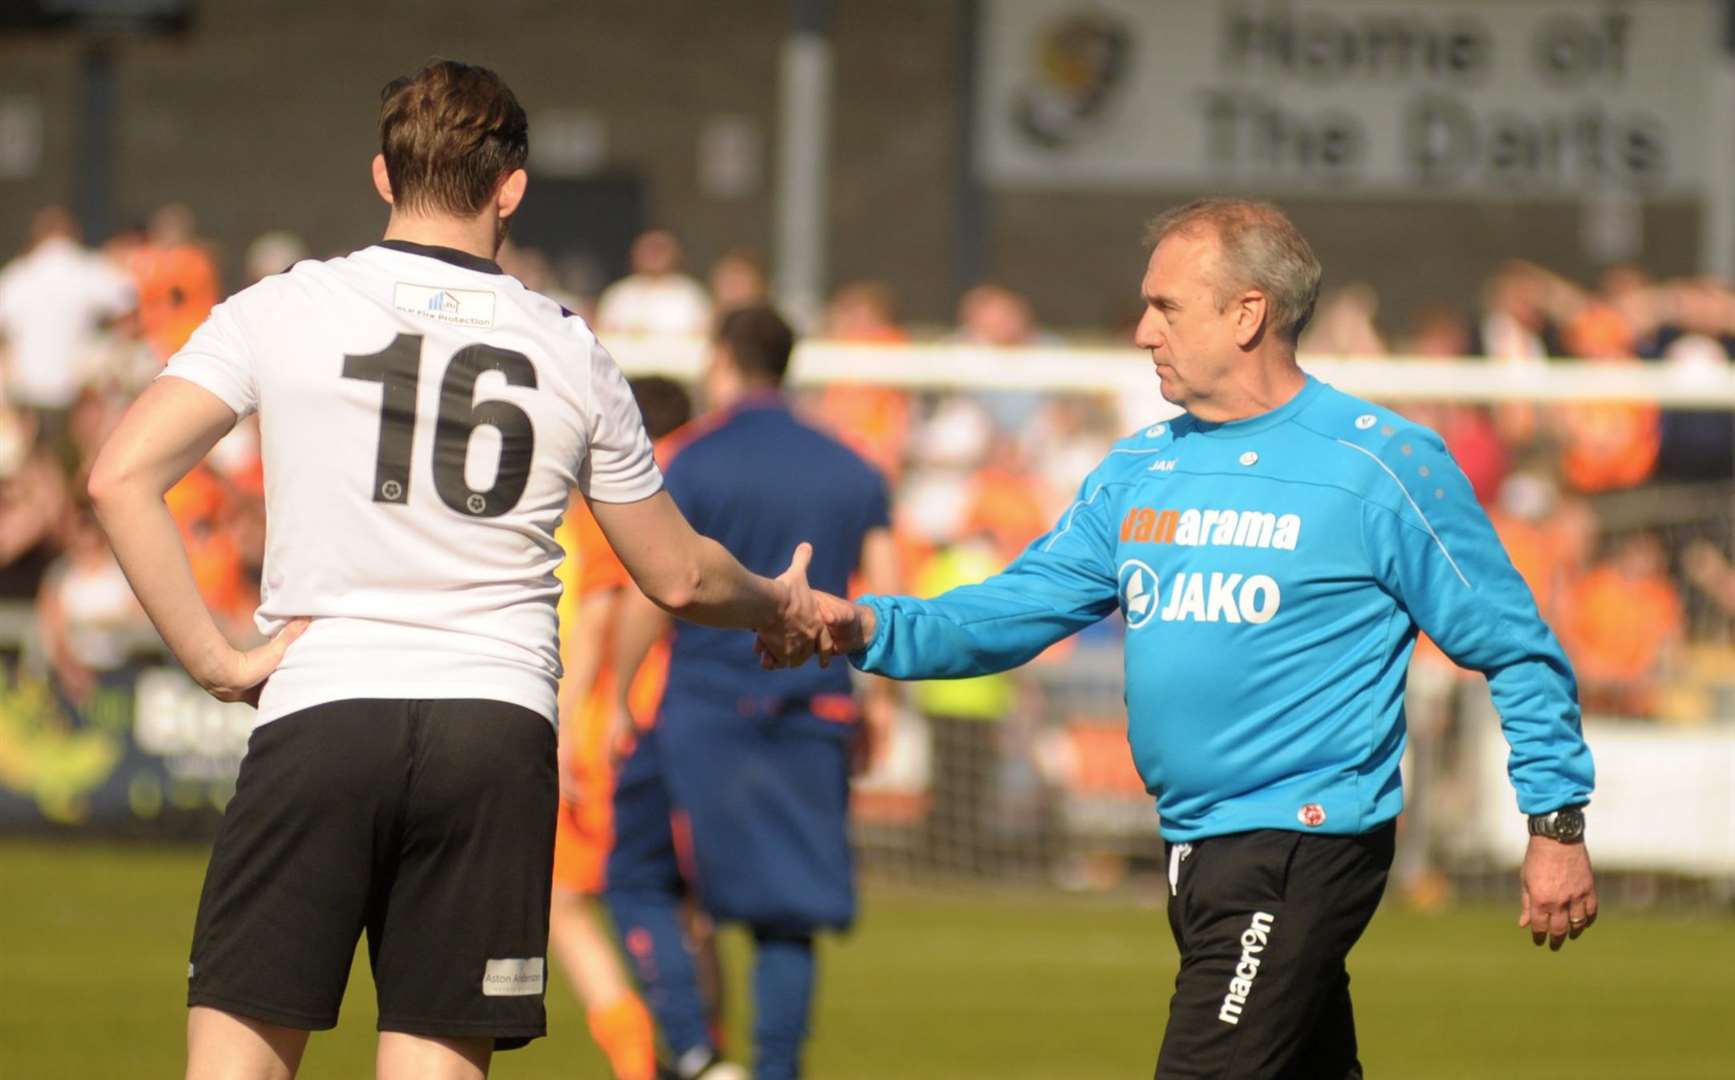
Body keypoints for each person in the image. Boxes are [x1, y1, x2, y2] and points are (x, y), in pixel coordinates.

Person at [85, 61, 826, 1080]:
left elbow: (120, 477)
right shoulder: (570, 346)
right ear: (512, 188)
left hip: (324, 704)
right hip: (495, 724)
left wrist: (216, 656)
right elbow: (681, 577)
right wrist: (776, 604)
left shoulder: (286, 305)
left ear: (384, 176)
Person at [805, 198, 1598, 1078]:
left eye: (1166, 307)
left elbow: (1513, 643)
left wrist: (1554, 822)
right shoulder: (1141, 466)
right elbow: (1012, 608)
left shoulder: (1380, 462)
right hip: (1194, 844)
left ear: (1246, 313)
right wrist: (868, 625)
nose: (1143, 331)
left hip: (1300, 839)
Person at [605, 305, 897, 1080]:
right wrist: (880, 698)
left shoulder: (695, 458)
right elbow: (884, 579)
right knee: (788, 913)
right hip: (814, 702)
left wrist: (619, 693)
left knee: (636, 875)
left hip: (704, 705)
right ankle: (773, 1071)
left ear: (723, 359)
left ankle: (698, 1054)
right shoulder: (849, 462)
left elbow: (654, 585)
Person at [547, 375, 704, 1080]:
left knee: (568, 902)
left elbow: (604, 615)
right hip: (684, 714)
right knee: (682, 903)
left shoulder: (619, 497)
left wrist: (565, 725)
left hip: (614, 718)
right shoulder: (698, 490)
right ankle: (710, 1053)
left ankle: (645, 1061)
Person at [0, 206, 136, 441]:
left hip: (28, 390)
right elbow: (129, 305)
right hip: (80, 390)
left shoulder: (17, 275)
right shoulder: (91, 268)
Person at [594, 229, 712, 338]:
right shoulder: (619, 293)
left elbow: (703, 335)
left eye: (660, 250)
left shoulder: (691, 294)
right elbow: (604, 334)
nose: (654, 256)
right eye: (649, 250)